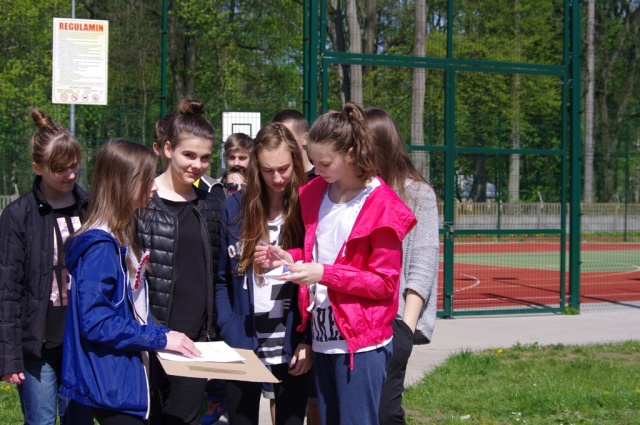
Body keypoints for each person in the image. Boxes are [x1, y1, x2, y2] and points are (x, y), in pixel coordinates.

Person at [255, 102, 416, 425]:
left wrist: (324, 274)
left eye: (325, 162)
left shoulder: (382, 205)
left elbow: (384, 283)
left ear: (351, 154)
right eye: (313, 161)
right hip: (323, 338)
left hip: (361, 343)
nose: (317, 169)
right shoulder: (315, 192)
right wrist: (290, 258)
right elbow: (316, 254)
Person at [61, 139, 201, 425]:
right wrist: (160, 338)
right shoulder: (100, 247)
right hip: (111, 382)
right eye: (148, 179)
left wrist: (167, 336)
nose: (154, 187)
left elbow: (132, 311)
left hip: (123, 375)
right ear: (125, 183)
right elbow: (96, 322)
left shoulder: (122, 233)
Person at [0, 109, 94, 425]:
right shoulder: (18, 216)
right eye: (60, 169)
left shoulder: (91, 209)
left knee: (79, 420)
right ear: (37, 168)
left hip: (82, 342)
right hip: (37, 348)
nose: (70, 174)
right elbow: (7, 289)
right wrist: (9, 356)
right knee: (40, 420)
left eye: (74, 165)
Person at [216, 122, 311, 425]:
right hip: (243, 342)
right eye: (268, 170)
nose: (277, 178)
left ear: (295, 161)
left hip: (292, 344)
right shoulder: (234, 208)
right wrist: (229, 327)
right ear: (256, 166)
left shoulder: (308, 207)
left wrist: (307, 339)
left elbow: (317, 280)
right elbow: (222, 279)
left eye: (284, 168)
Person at [136, 98, 223, 425]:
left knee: (184, 418)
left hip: (194, 341)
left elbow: (217, 276)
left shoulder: (212, 204)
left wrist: (213, 336)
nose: (198, 165)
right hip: (148, 338)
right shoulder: (141, 201)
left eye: (205, 157)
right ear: (168, 149)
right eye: (189, 155)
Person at [365, 107, 440, 425]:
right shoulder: (353, 192)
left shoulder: (418, 194)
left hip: (393, 324)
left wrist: (405, 330)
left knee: (385, 412)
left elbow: (423, 263)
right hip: (354, 323)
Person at [271, 110, 319, 425]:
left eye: (287, 137)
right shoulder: (271, 187)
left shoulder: (320, 186)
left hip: (309, 320)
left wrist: (309, 336)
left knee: (315, 401)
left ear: (305, 139)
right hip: (273, 320)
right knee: (278, 397)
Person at [271, 110, 315, 180]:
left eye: (287, 137)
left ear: (306, 139)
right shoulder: (274, 180)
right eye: (276, 138)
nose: (281, 143)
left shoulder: (322, 178)